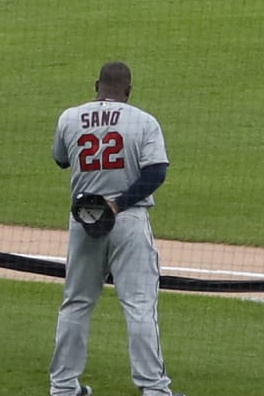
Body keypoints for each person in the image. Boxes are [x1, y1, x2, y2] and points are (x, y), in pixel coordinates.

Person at [50, 62, 182, 396]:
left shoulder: (70, 117)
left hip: (84, 220)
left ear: (96, 85)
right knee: (139, 306)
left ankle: (63, 387)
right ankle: (153, 389)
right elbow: (156, 173)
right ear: (128, 90)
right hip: (129, 220)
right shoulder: (143, 121)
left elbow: (61, 159)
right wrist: (118, 204)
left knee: (76, 303)